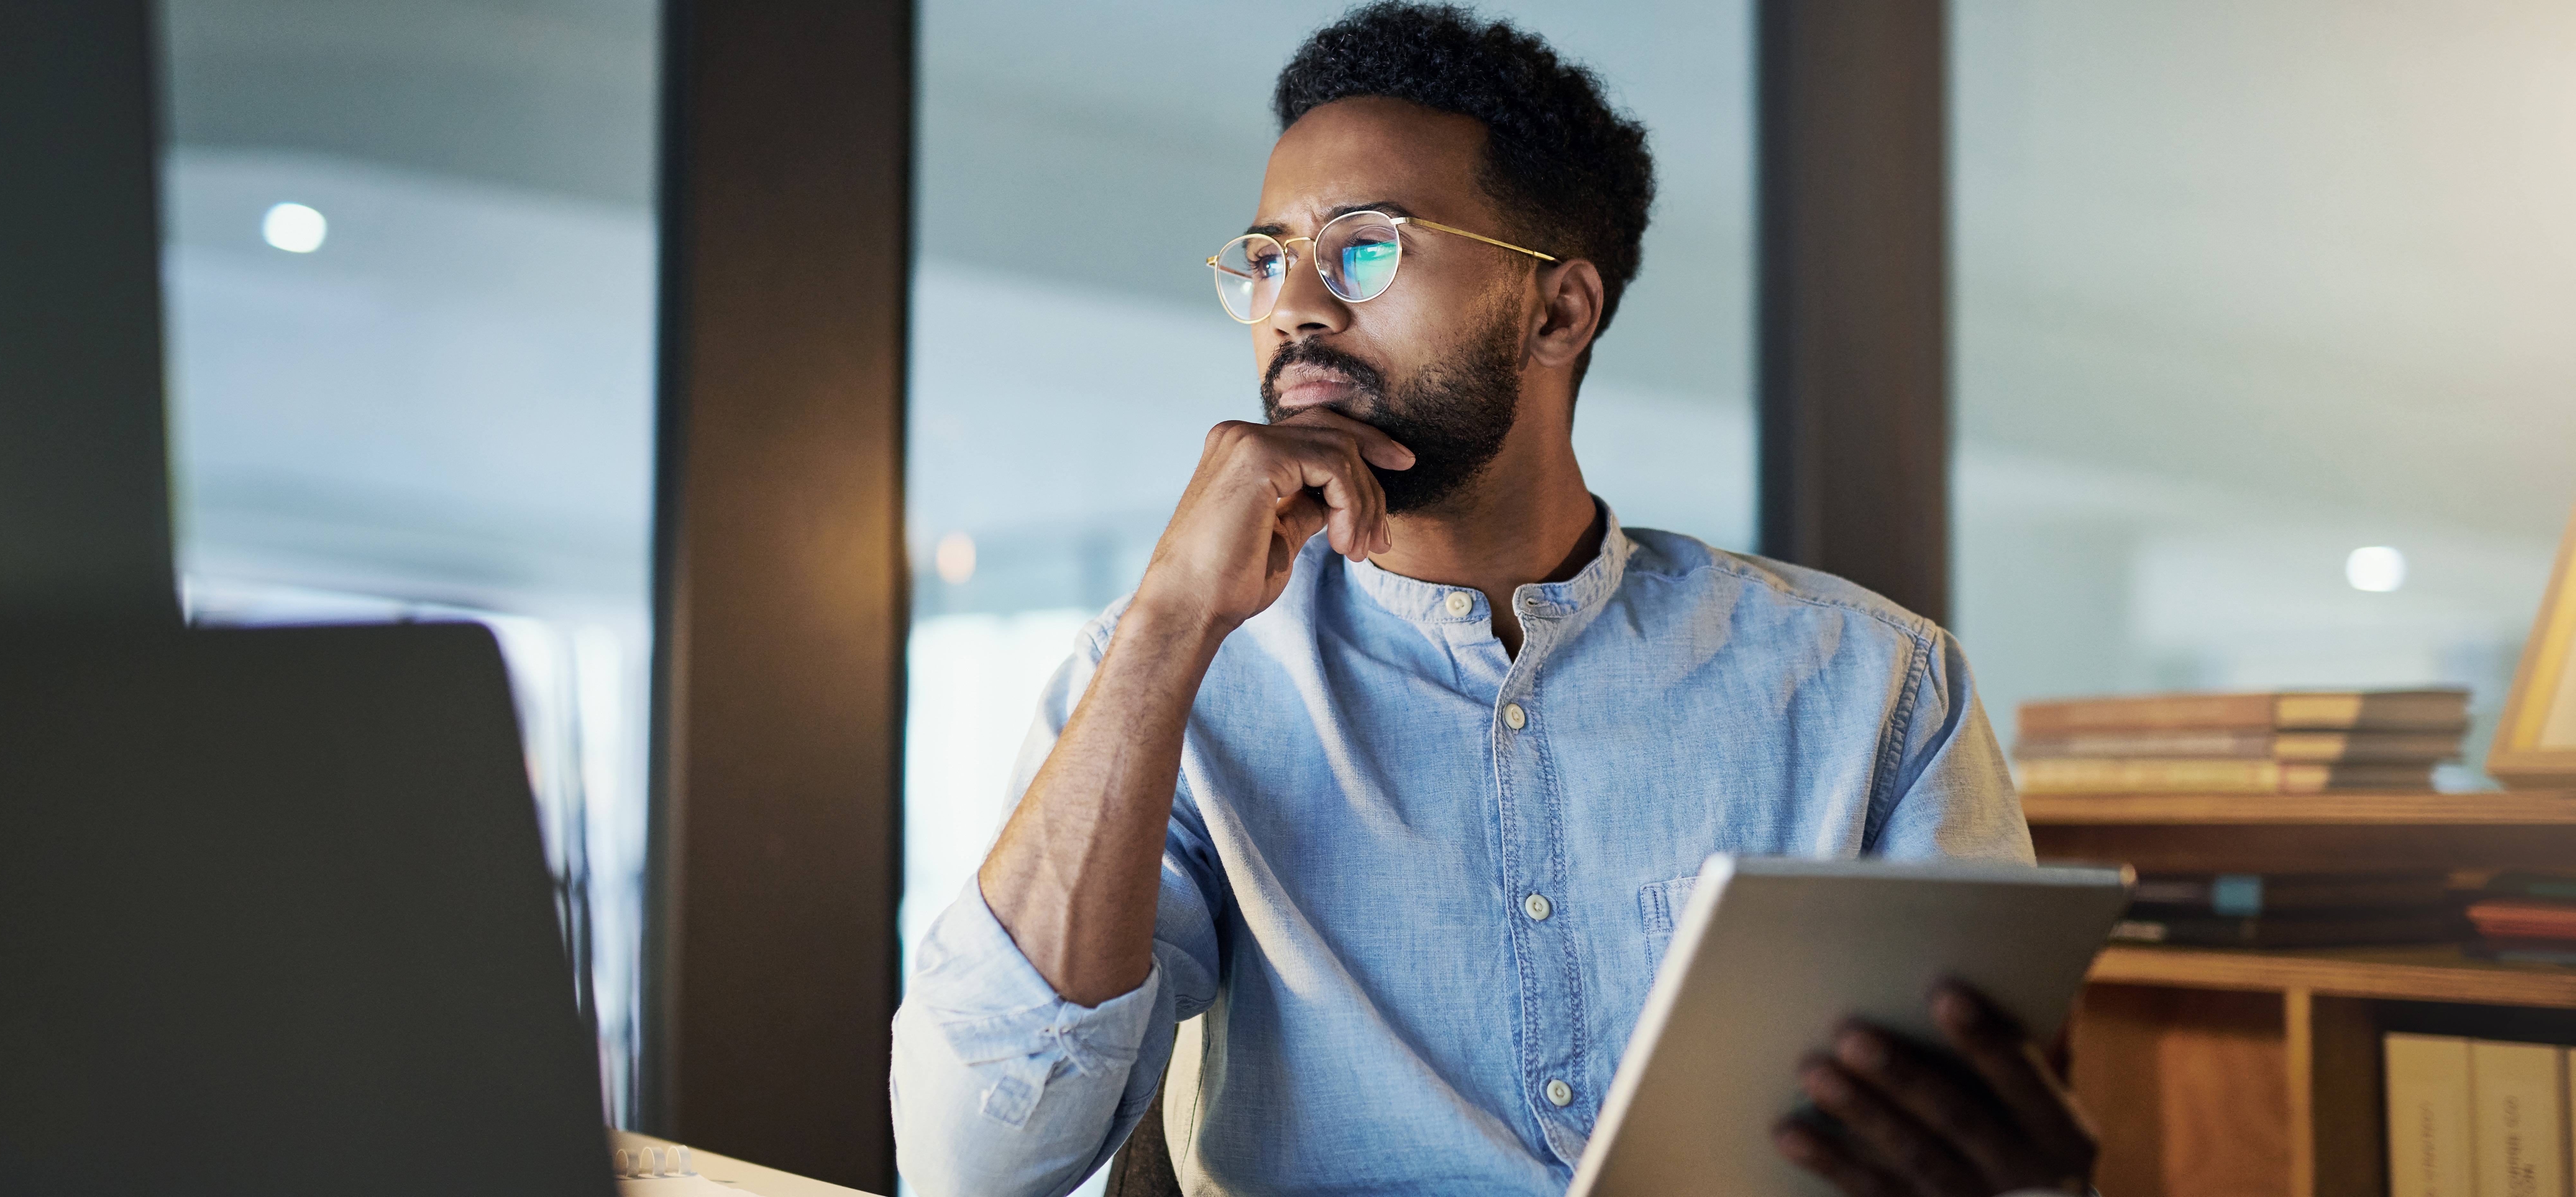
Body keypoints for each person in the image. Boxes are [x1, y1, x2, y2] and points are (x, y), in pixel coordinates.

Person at [892, 5, 2098, 1194]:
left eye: (1364, 248)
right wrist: (1164, 627)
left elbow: (1986, 1146)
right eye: (1270, 260)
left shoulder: (1875, 688)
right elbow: (977, 1167)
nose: (1298, 307)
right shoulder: (1184, 670)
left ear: (1559, 310)